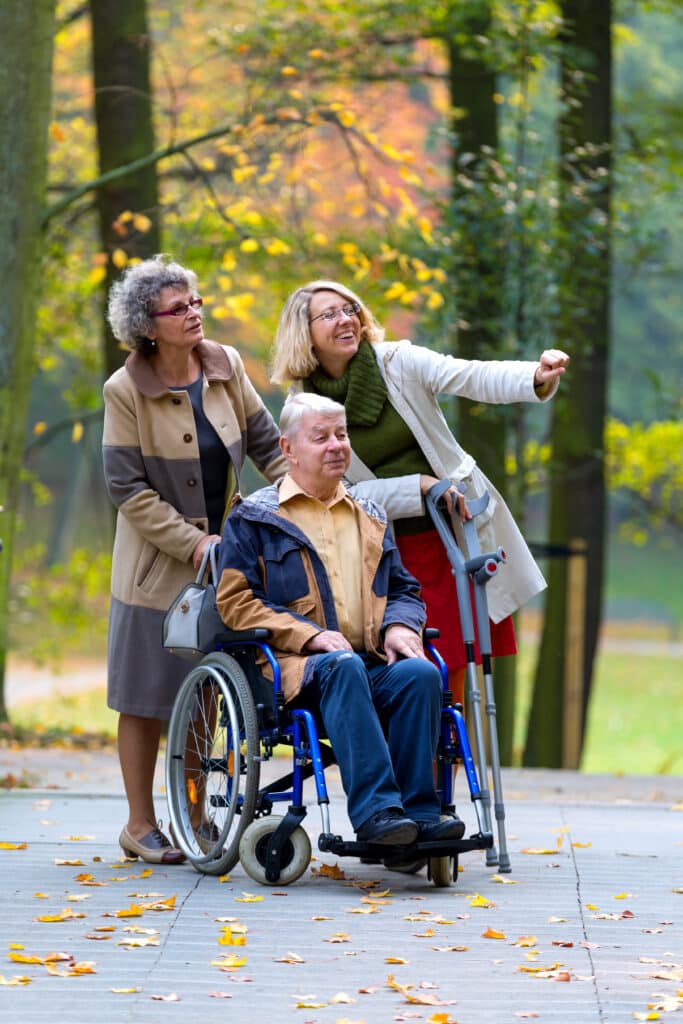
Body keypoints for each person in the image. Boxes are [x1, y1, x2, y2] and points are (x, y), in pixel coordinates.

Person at [270, 281, 570, 704]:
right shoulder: (301, 405)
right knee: (404, 671)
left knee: (451, 670)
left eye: (350, 309)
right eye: (330, 314)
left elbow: (471, 375)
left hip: (450, 536)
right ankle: (414, 769)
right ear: (304, 332)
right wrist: (418, 488)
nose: (346, 320)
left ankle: (448, 770)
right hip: (383, 552)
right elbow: (338, 493)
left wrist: (535, 377)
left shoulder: (398, 362)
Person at [215, 392, 465, 859]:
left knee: (421, 673)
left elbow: (404, 589)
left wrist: (399, 626)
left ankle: (420, 818)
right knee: (341, 665)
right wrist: (306, 635)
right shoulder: (254, 517)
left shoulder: (369, 514)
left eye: (342, 434)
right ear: (288, 449)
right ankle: (377, 817)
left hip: (367, 661)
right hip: (293, 671)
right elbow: (235, 602)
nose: (336, 446)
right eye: (321, 437)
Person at [102, 254, 287, 864]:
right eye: (178, 308)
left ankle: (197, 816)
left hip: (225, 565)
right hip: (155, 570)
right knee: (144, 696)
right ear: (148, 325)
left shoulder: (226, 366)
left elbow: (266, 444)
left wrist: (299, 500)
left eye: (196, 302)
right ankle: (139, 823)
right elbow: (128, 490)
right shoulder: (125, 390)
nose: (193, 314)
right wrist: (192, 541)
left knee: (207, 693)